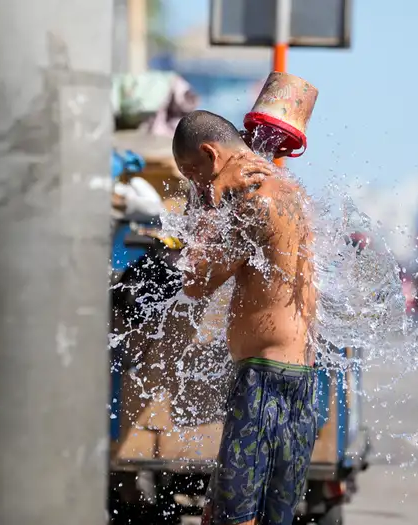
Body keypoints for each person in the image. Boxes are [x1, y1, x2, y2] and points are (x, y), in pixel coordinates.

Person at [170, 110, 318, 525]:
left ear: (210, 155)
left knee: (230, 518)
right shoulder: (287, 190)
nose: (194, 186)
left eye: (193, 174)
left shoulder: (255, 200)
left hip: (264, 381)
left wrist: (212, 197)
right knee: (274, 517)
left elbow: (196, 279)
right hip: (299, 377)